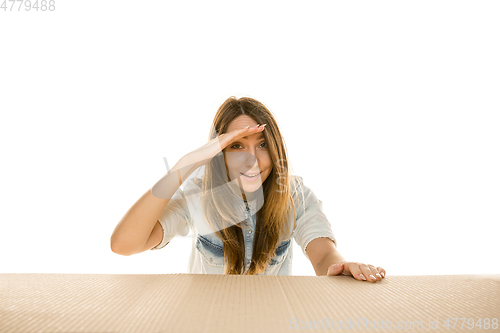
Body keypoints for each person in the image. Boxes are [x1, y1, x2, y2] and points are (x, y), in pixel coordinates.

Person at [110, 96, 386, 281]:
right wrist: (185, 164)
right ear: (218, 152)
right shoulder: (198, 195)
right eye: (237, 146)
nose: (252, 160)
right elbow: (124, 245)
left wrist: (340, 269)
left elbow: (324, 255)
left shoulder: (295, 194)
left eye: (262, 145)